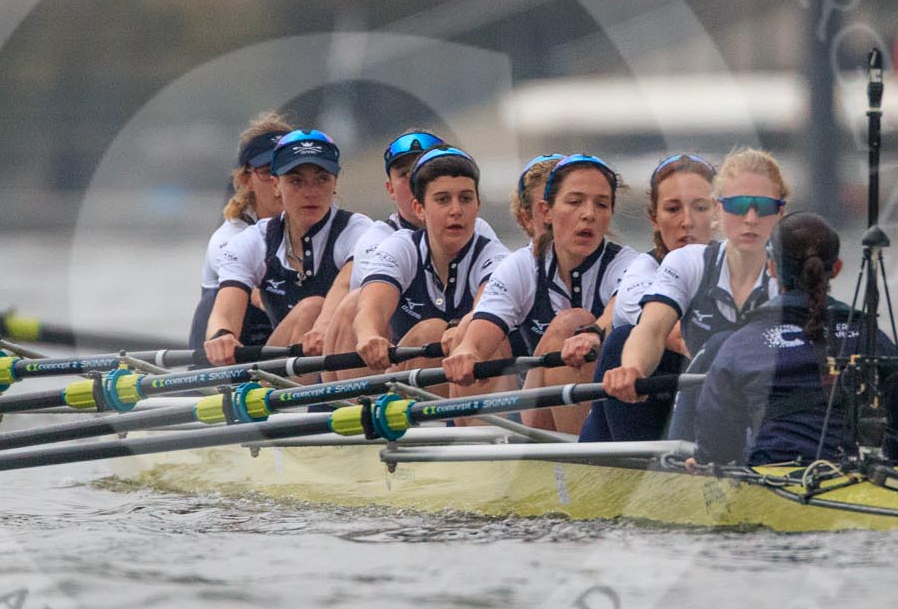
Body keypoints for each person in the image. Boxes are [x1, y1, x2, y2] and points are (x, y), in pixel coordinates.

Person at [688, 212, 898, 467]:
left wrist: (704, 461)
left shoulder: (741, 344)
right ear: (837, 268)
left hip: (772, 474)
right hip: (863, 475)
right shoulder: (873, 338)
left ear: (771, 267)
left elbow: (717, 446)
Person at [440, 154, 640, 432]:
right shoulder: (522, 266)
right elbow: (484, 324)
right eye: (575, 202)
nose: (589, 214)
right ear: (546, 211)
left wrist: (594, 333)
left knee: (572, 324)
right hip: (536, 412)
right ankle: (480, 459)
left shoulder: (629, 264)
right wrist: (468, 351)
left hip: (606, 405)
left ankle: (582, 464)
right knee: (466, 327)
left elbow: (617, 306)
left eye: (602, 204)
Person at [601, 148, 791, 419]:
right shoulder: (688, 261)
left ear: (780, 212)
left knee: (724, 345)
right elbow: (653, 329)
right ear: (719, 209)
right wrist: (633, 370)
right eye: (738, 206)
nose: (750, 219)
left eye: (763, 207)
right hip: (695, 410)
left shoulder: (792, 270)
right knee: (622, 341)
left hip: (761, 411)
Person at [310, 129, 500, 358]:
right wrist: (369, 335)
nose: (456, 210)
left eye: (465, 198)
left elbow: (489, 304)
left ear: (477, 204)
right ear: (418, 204)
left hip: (460, 351)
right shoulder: (387, 240)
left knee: (446, 331)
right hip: (398, 351)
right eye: (442, 198)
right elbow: (371, 308)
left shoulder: (483, 238)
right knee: (354, 304)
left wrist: (463, 327)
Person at [575, 152, 720, 442]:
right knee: (622, 338)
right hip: (642, 415)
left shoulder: (735, 264)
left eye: (700, 208)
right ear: (654, 218)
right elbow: (681, 339)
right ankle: (633, 474)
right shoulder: (640, 274)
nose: (687, 221)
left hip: (699, 400)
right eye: (673, 209)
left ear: (717, 213)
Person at [202, 130, 375, 366]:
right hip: (282, 365)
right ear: (276, 185)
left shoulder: (359, 230)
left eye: (322, 179)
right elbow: (224, 311)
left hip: (341, 357)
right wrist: (222, 335)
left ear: (335, 183)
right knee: (310, 309)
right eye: (296, 181)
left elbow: (346, 281)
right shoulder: (254, 240)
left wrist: (324, 326)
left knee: (315, 308)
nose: (311, 192)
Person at [188, 113, 291, 351]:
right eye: (268, 172)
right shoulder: (228, 239)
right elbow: (260, 297)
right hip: (228, 358)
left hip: (285, 348)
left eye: (288, 172)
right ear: (246, 179)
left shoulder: (329, 231)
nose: (278, 183)